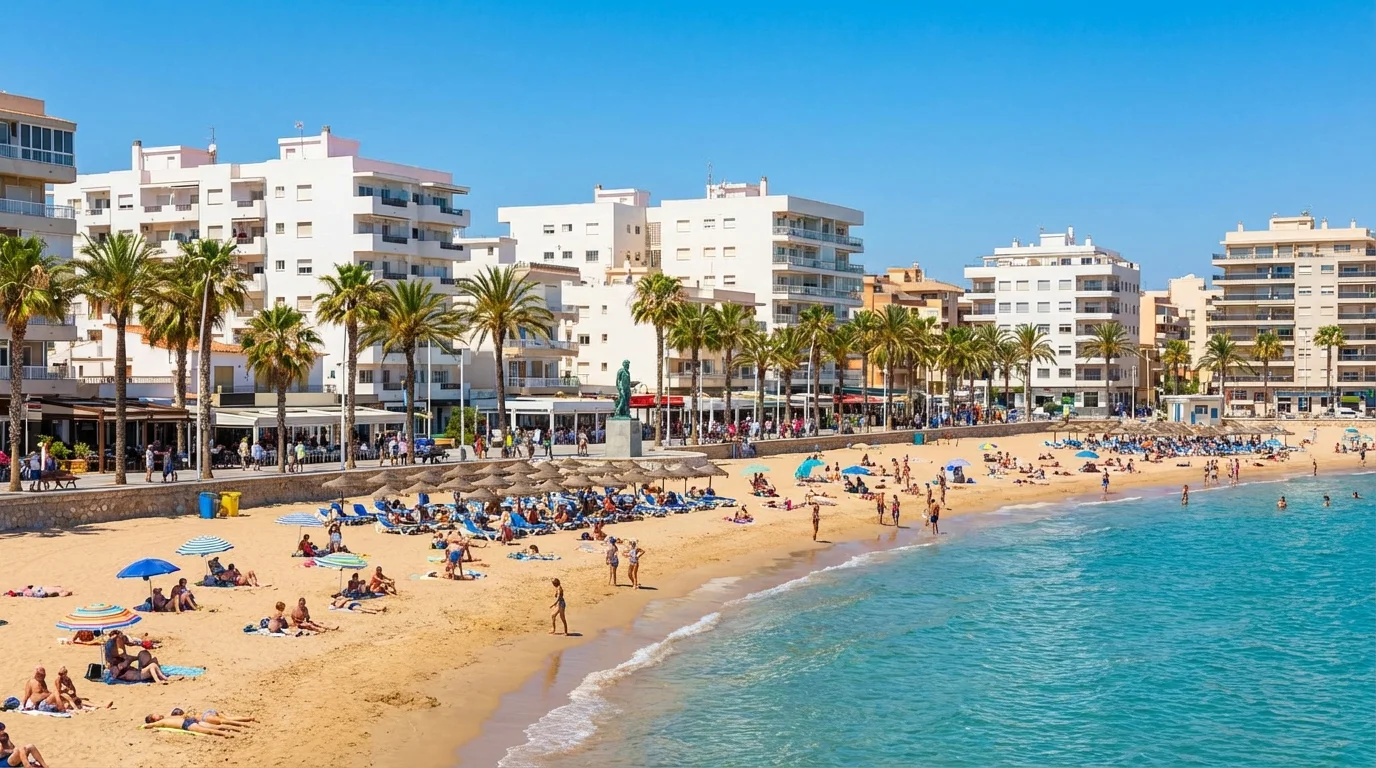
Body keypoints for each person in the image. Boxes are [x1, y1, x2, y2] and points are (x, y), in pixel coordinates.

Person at [143, 710, 246, 738]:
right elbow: (149, 725)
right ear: (153, 719)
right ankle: (238, 728)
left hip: (187, 724)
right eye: (153, 716)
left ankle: (228, 734)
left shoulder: (164, 719)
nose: (156, 715)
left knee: (211, 730)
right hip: (189, 722)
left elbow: (148, 726)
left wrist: (143, 726)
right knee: (215, 727)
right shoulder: (162, 721)